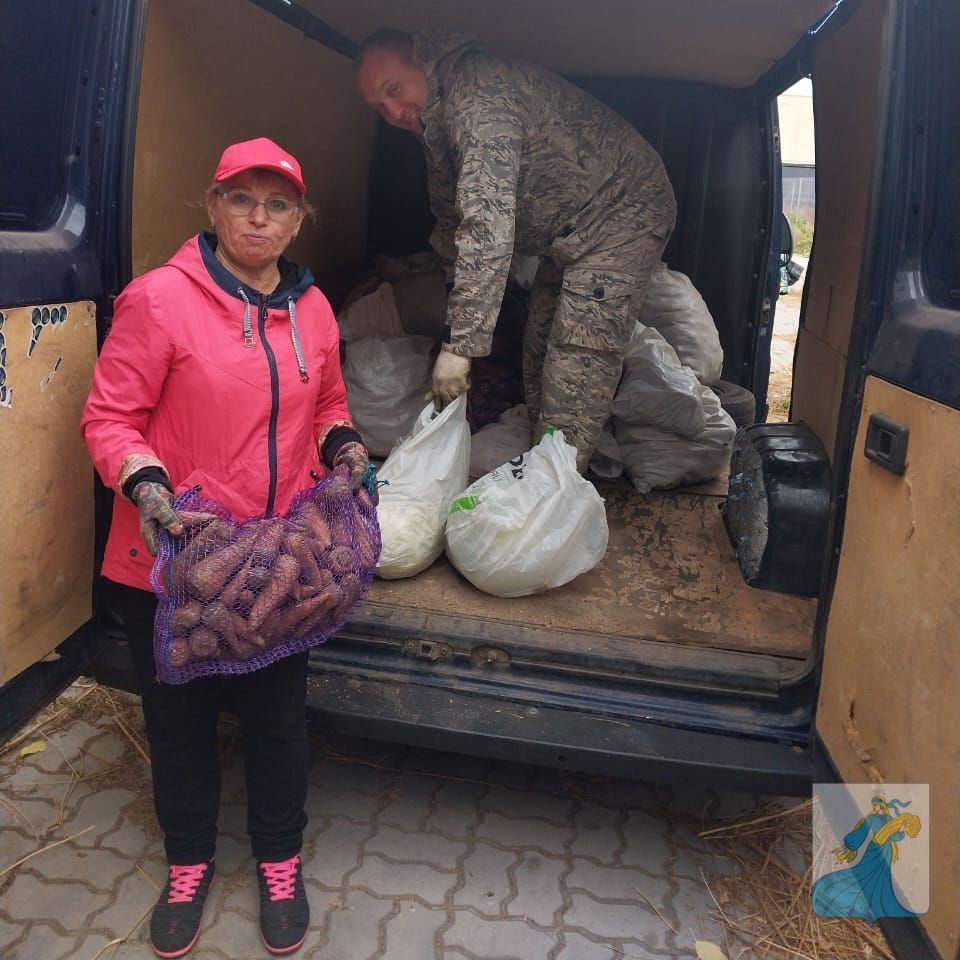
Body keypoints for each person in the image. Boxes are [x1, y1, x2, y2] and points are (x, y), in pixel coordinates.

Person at [81, 138, 372, 958]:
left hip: (278, 561)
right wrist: (146, 486)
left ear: (297, 220)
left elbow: (329, 403)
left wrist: (345, 445)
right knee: (179, 724)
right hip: (175, 561)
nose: (259, 216)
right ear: (211, 206)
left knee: (279, 719)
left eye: (277, 204)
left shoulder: (312, 309)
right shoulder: (160, 300)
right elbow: (109, 418)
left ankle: (280, 861)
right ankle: (188, 862)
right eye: (241, 198)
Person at [355, 29, 677, 470]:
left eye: (394, 90)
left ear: (418, 57)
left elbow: (486, 222)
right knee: (540, 342)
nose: (392, 112)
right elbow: (452, 221)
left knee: (576, 355)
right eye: (378, 107)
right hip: (569, 235)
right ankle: (542, 470)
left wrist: (460, 347)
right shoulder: (437, 118)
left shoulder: (478, 98)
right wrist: (454, 320)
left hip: (622, 209)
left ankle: (554, 496)